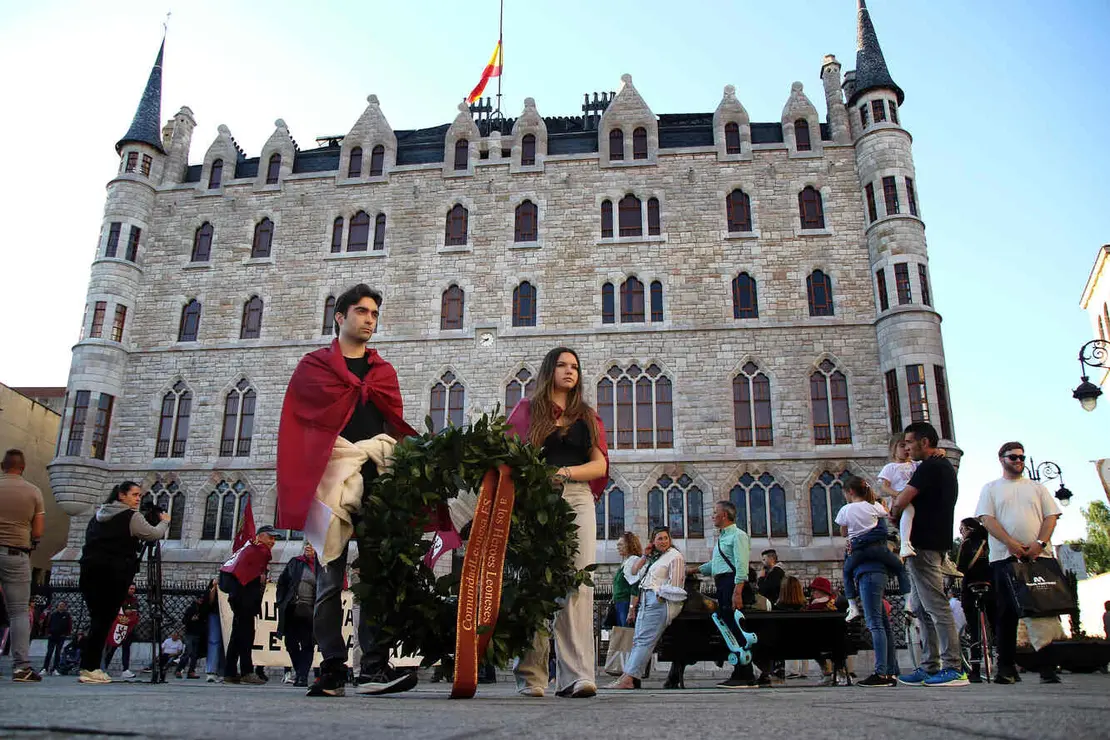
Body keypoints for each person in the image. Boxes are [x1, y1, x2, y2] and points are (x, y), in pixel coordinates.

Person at [276, 283, 418, 698]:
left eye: (374, 314)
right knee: (327, 576)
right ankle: (333, 667)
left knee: (375, 575)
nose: (369, 320)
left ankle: (373, 667)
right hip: (329, 475)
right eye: (361, 312)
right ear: (339, 317)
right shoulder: (314, 367)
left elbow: (393, 424)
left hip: (376, 476)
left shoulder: (384, 373)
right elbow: (300, 427)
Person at [508, 346, 609, 699]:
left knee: (578, 581)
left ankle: (576, 674)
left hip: (577, 497)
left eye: (576, 367)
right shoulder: (526, 411)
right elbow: (511, 460)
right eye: (563, 365)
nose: (570, 371)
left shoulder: (586, 416)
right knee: (535, 584)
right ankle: (531, 676)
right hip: (536, 501)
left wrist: (562, 472)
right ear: (549, 370)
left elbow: (600, 466)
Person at [975, 441, 1063, 684]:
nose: (1019, 461)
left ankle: (1047, 666)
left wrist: (1040, 544)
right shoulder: (991, 488)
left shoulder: (1037, 488)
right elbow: (987, 519)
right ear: (1001, 459)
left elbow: (1050, 517)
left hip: (1038, 558)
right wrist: (1011, 543)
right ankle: (1006, 667)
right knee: (1006, 612)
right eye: (1013, 457)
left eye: (1022, 457)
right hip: (1005, 558)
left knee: (1042, 609)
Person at [891, 421, 966, 687]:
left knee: (936, 605)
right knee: (922, 609)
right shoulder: (938, 465)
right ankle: (929, 665)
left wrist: (894, 510)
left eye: (910, 442)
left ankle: (953, 667)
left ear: (925, 442)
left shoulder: (932, 467)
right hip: (925, 542)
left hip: (924, 543)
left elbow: (902, 499)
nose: (907, 447)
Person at [78, 481, 169, 684]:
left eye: (139, 495)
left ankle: (88, 665)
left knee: (97, 621)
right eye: (135, 495)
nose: (138, 499)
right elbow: (153, 534)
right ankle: (91, 668)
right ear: (121, 495)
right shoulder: (130, 516)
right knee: (103, 621)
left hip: (89, 570)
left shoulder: (98, 516)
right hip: (113, 574)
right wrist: (164, 521)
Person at [609, 527, 687, 689]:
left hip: (659, 601)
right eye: (659, 539)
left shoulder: (675, 556)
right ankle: (628, 676)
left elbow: (677, 587)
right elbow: (634, 571)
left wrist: (659, 594)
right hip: (646, 599)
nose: (663, 541)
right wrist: (645, 555)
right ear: (653, 542)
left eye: (666, 538)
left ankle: (628, 679)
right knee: (638, 640)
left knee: (645, 640)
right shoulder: (657, 558)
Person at [687, 500, 753, 689]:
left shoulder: (738, 536)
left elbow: (741, 565)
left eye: (715, 512)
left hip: (731, 583)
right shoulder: (722, 538)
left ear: (724, 515)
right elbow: (715, 565)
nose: (712, 516)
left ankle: (745, 674)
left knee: (736, 627)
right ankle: (740, 671)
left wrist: (737, 592)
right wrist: (694, 570)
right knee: (729, 628)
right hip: (722, 583)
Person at [837, 476, 910, 622]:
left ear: (850, 491)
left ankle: (852, 607)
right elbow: (885, 513)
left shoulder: (845, 509)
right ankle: (908, 602)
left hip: (857, 550)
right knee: (900, 569)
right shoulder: (874, 506)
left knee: (846, 573)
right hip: (877, 549)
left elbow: (844, 532)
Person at [0, 449, 45, 682]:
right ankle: (21, 667)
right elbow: (37, 531)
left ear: (2, 466)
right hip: (15, 553)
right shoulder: (33, 492)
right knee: (17, 612)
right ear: (23, 467)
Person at [219, 525, 282, 685]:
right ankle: (247, 671)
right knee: (246, 634)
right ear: (260, 536)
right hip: (244, 598)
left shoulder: (248, 549)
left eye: (274, 538)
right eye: (270, 537)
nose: (272, 542)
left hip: (238, 597)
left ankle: (230, 671)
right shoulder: (259, 551)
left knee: (237, 634)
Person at [276, 542, 319, 687]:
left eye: (312, 545)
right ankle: (300, 670)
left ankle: (302, 676)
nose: (308, 547)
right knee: (290, 643)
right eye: (307, 544)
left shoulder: (320, 566)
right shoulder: (295, 562)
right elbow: (282, 582)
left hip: (310, 610)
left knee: (307, 644)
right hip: (292, 608)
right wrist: (281, 600)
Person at [955, 517, 992, 683]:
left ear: (969, 528)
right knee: (995, 623)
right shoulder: (989, 542)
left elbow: (960, 568)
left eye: (961, 529)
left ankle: (975, 669)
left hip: (971, 586)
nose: (961, 533)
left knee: (974, 628)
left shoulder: (967, 543)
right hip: (991, 585)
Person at [878, 433, 919, 558]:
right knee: (909, 510)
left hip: (914, 499)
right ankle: (905, 544)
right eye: (902, 445)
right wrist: (898, 494)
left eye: (908, 445)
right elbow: (884, 486)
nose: (906, 449)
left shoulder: (915, 464)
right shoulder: (890, 467)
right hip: (899, 500)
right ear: (894, 449)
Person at [612, 532, 642, 627]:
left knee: (627, 635)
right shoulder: (626, 561)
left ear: (629, 545)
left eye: (620, 544)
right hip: (620, 604)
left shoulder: (633, 560)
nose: (618, 547)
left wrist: (631, 609)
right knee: (623, 634)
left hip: (626, 604)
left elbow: (635, 587)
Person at [181, 593, 208, 679]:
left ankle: (191, 671)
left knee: (194, 655)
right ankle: (179, 669)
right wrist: (191, 619)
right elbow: (184, 620)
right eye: (199, 598)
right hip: (190, 633)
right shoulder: (191, 609)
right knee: (188, 652)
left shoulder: (202, 609)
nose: (201, 600)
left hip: (197, 634)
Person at [42, 600, 72, 676]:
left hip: (61, 637)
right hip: (52, 636)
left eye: (63, 605)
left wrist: (66, 634)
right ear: (57, 606)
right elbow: (48, 624)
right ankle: (45, 668)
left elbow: (69, 626)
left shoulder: (67, 615)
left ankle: (55, 669)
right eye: (60, 605)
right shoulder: (53, 615)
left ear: (65, 607)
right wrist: (48, 633)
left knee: (58, 654)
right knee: (49, 653)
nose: (61, 607)